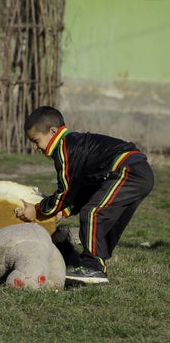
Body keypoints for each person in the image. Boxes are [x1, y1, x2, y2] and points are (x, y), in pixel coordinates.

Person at [17, 106, 154, 284]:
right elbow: (84, 188)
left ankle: (93, 268)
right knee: (106, 218)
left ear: (52, 132)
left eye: (36, 140)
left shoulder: (64, 149)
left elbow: (65, 192)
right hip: (139, 171)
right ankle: (95, 265)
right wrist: (64, 211)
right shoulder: (74, 144)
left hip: (128, 170)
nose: (34, 147)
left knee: (92, 213)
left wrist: (38, 209)